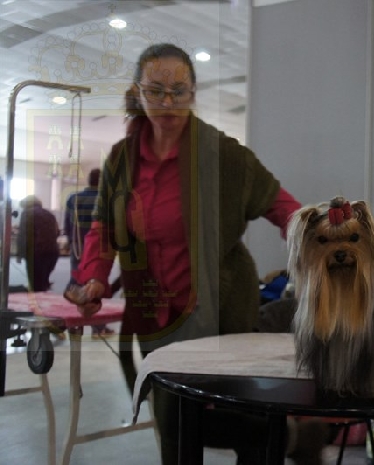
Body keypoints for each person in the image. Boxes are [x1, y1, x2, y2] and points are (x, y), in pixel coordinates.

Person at [70, 43, 325, 464]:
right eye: (156, 91)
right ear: (138, 93)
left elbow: (282, 207)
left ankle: (285, 440)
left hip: (222, 307)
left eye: (179, 91)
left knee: (237, 408)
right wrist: (94, 277)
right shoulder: (121, 159)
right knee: (172, 417)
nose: (168, 102)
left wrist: (319, 238)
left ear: (193, 93)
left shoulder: (224, 155)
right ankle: (293, 439)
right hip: (157, 312)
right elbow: (105, 229)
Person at [64, 168, 115, 338]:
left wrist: (71, 242)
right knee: (94, 288)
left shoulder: (73, 198)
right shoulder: (107, 199)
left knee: (78, 283)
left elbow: (67, 225)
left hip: (78, 246)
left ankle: (70, 325)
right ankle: (98, 328)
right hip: (98, 245)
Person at [16, 195, 59, 292]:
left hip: (36, 253)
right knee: (42, 284)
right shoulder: (49, 214)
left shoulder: (27, 213)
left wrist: (20, 254)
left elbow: (23, 235)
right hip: (52, 252)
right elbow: (57, 232)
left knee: (35, 286)